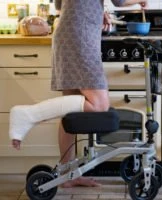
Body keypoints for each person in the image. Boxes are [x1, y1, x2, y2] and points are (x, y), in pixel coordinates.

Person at [9, 0, 148, 188]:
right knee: (99, 105)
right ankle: (28, 114)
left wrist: (97, 9)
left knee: (70, 113)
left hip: (69, 33)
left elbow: (60, 6)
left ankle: (67, 174)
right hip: (79, 36)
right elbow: (121, 1)